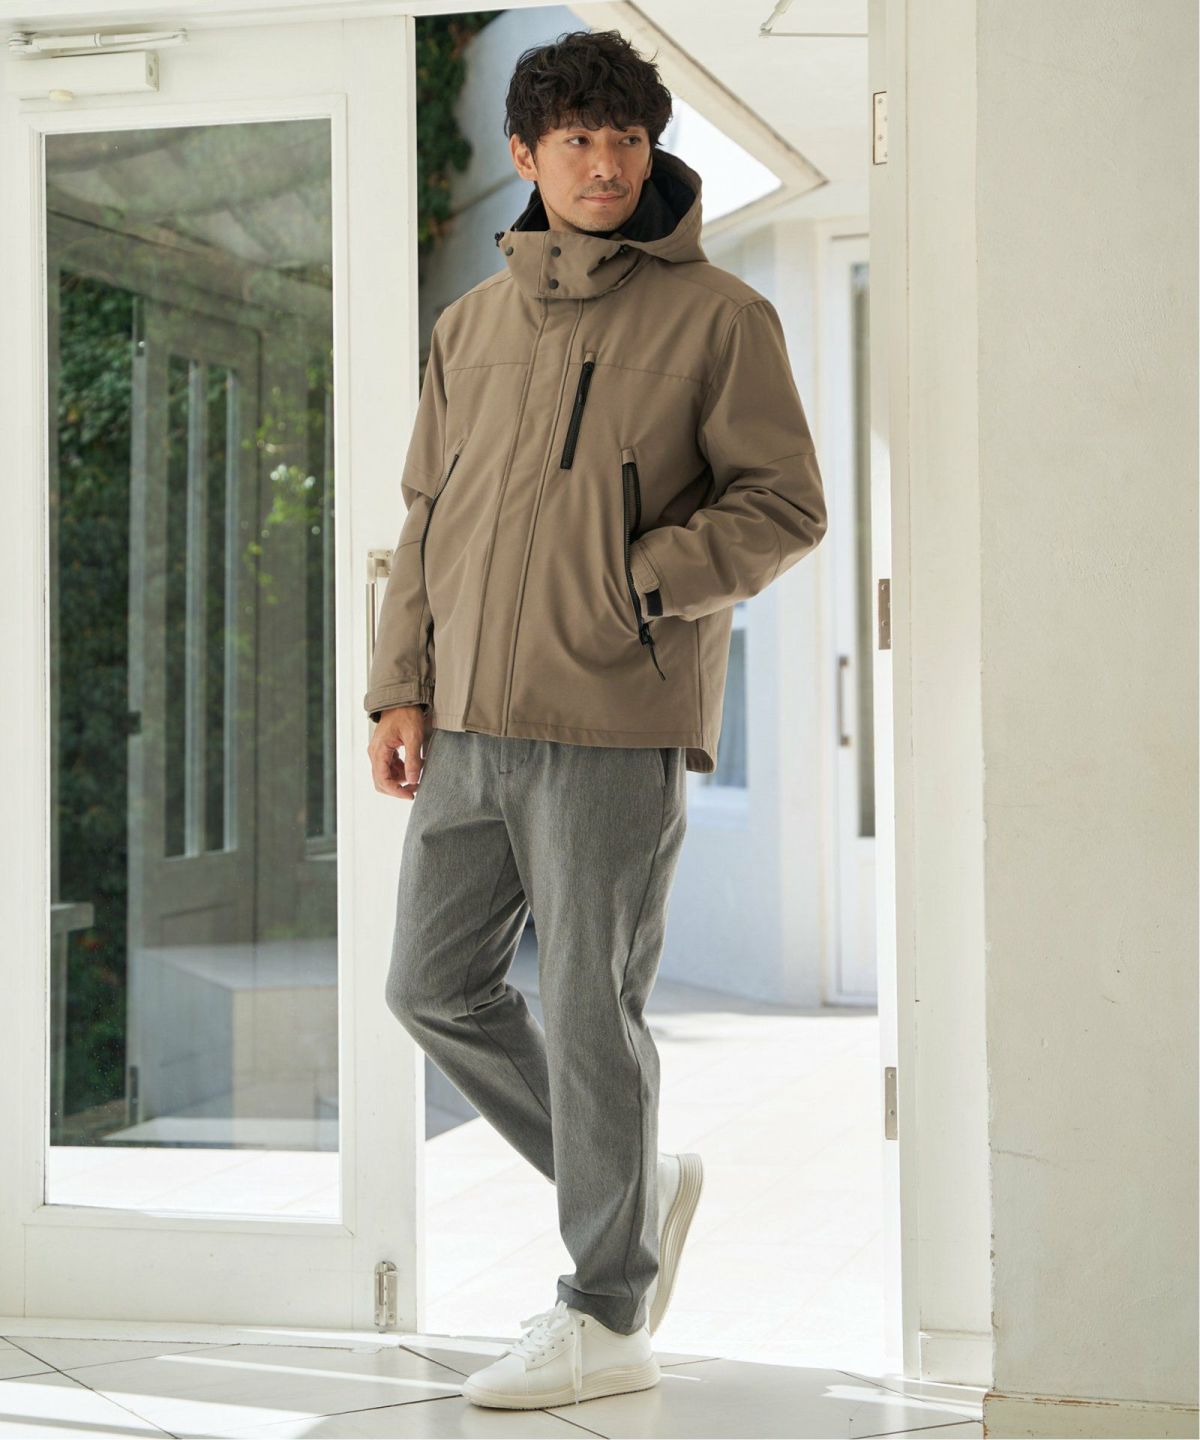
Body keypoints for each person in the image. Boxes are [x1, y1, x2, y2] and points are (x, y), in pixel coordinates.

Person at [364, 27, 827, 1410]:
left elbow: (784, 506)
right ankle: (632, 1179)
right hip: (468, 722)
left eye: (627, 139)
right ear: (528, 154)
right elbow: (426, 515)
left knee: (586, 1009)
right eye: (577, 140)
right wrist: (400, 683)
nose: (606, 164)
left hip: (616, 716)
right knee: (430, 989)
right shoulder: (472, 325)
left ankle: (607, 1313)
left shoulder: (721, 320)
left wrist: (636, 582)